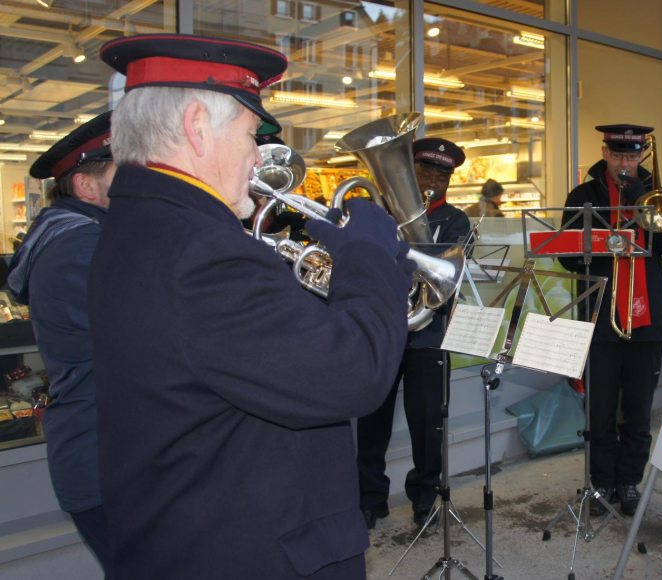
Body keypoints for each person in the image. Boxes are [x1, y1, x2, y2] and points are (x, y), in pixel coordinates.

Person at [89, 34, 415, 580]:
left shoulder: (142, 226)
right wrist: (370, 257)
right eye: (249, 135)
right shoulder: (200, 250)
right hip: (251, 550)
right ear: (196, 127)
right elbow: (351, 375)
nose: (257, 156)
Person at [6, 112, 115, 574]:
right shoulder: (82, 249)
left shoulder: (81, 238)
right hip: (107, 464)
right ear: (86, 187)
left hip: (108, 459)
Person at [559, 124, 662, 516]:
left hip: (645, 322)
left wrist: (642, 202)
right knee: (599, 412)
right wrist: (603, 243)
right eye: (618, 156)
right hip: (600, 319)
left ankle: (629, 480)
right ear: (605, 152)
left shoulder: (657, 194)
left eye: (631, 156)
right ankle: (601, 483)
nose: (624, 164)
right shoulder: (583, 195)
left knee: (637, 410)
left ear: (642, 156)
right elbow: (565, 255)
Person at [357, 137, 472, 529]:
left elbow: (444, 280)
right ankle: (370, 499)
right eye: (426, 172)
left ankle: (425, 498)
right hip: (383, 331)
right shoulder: (381, 212)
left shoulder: (457, 221)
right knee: (372, 422)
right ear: (412, 172)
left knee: (428, 425)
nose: (433, 181)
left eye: (442, 176)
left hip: (430, 335)